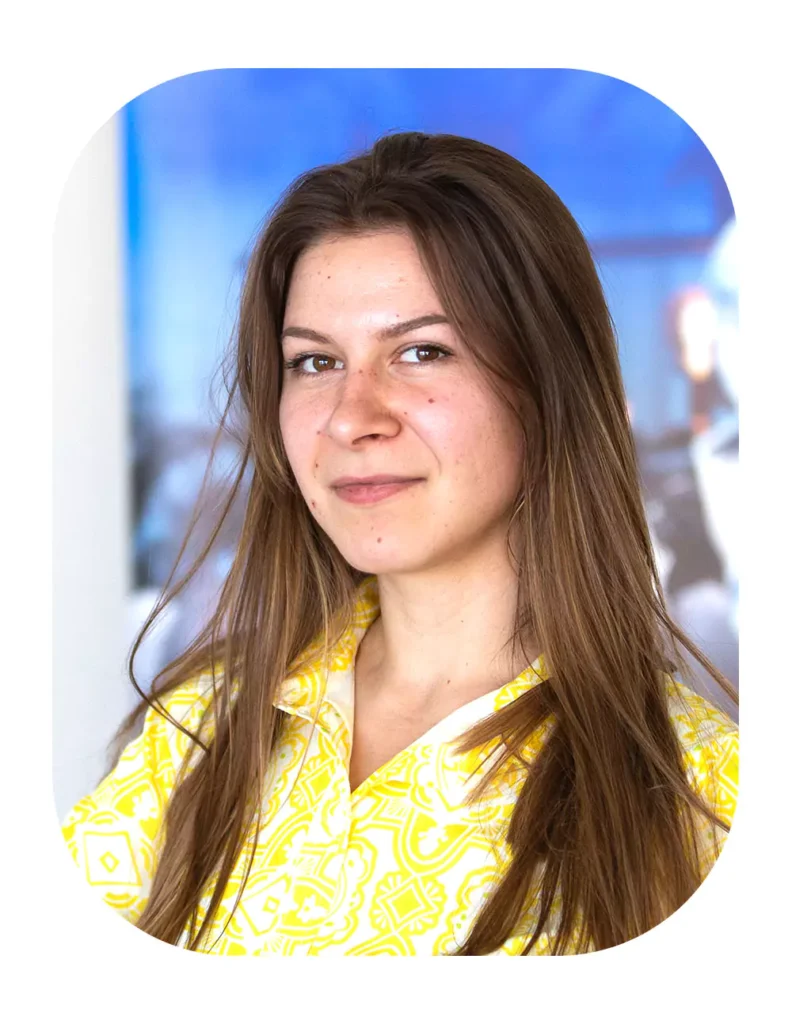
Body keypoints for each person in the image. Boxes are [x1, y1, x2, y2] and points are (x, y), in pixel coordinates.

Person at [61, 131, 738, 956]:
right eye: (315, 363)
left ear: (547, 384)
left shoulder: (712, 799)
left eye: (422, 352)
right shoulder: (199, 727)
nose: (352, 417)